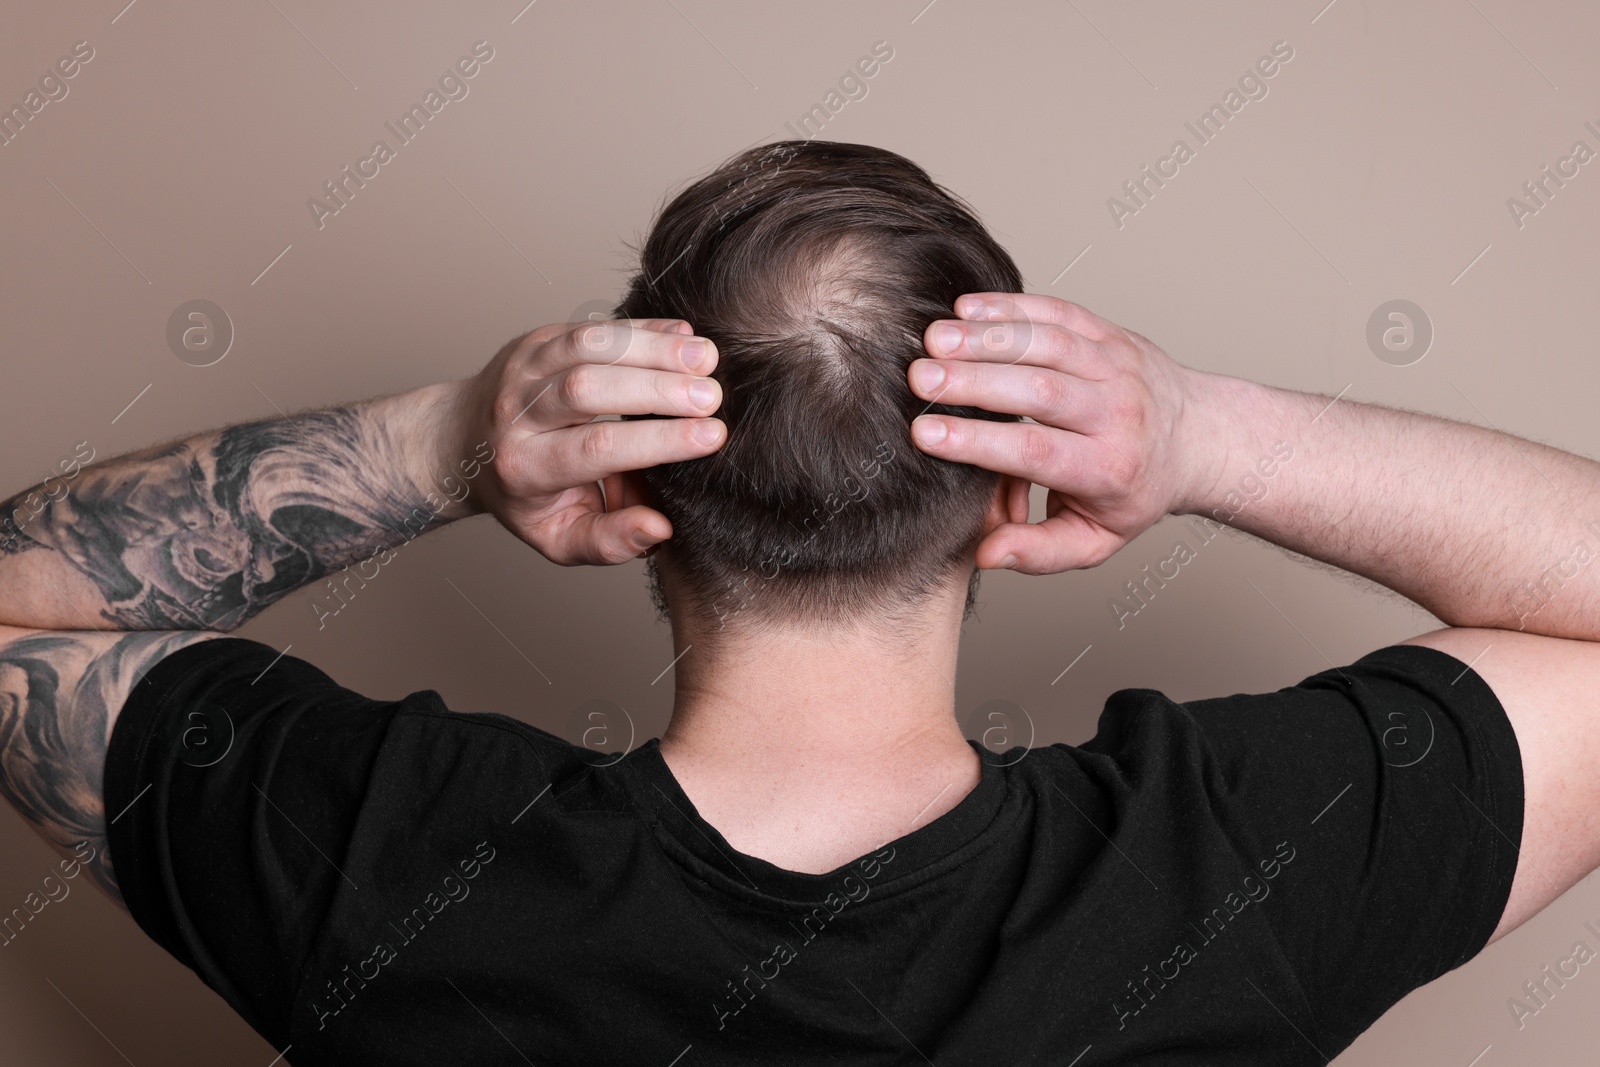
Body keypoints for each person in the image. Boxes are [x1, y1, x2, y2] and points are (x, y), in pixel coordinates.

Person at [0, 139, 1593, 1066]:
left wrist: (449, 441)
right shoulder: (1242, 868)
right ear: (1015, 487)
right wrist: (1202, 436)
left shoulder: (382, 857)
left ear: (625, 488)